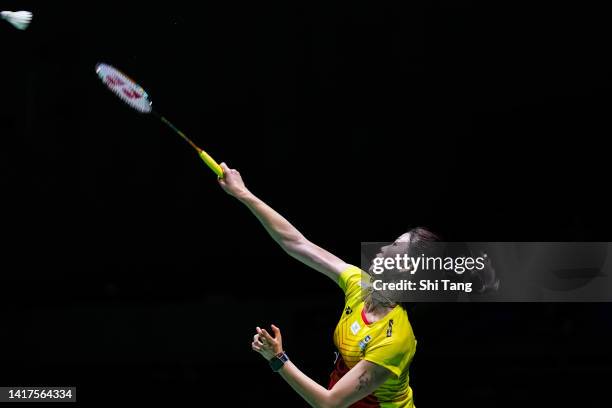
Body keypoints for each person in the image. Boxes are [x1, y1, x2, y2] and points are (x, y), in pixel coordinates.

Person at [218, 162, 434, 408]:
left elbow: (329, 404)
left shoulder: (395, 339)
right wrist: (243, 193)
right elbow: (297, 243)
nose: (383, 249)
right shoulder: (360, 284)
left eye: (395, 246)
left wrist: (277, 358)